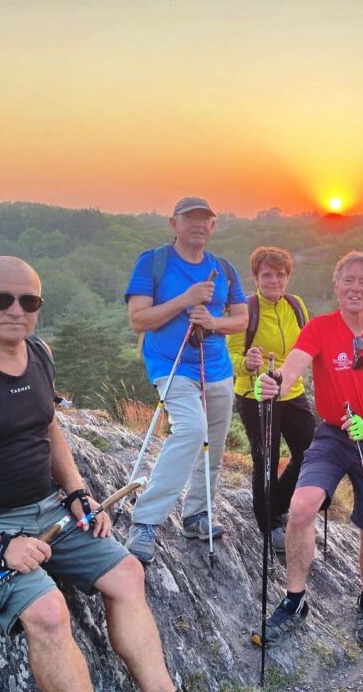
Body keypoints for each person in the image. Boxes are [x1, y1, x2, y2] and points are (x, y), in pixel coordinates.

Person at [0, 256, 174, 692]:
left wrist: (75, 492)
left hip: (49, 509)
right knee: (49, 614)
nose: (17, 310)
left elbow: (46, 425)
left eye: (29, 301)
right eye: (1, 299)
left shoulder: (38, 353)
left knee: (128, 574)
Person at [251, 251, 363, 650]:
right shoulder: (321, 328)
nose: (355, 287)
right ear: (336, 285)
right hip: (333, 434)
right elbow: (292, 368)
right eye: (347, 280)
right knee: (302, 506)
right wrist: (273, 383)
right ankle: (295, 599)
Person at [124, 197, 248, 564]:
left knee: (215, 441)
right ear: (173, 224)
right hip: (170, 363)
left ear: (213, 226)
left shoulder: (223, 268)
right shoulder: (153, 262)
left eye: (204, 219)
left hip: (217, 367)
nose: (198, 224)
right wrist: (186, 299)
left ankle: (197, 514)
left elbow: (240, 318)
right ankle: (145, 520)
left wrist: (213, 323)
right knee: (191, 431)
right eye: (189, 218)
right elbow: (138, 320)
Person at [227, 246, 313, 554]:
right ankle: (270, 524)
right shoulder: (246, 309)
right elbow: (229, 355)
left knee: (311, 453)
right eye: (267, 275)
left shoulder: (296, 305)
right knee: (266, 459)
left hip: (292, 390)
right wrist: (246, 363)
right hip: (256, 395)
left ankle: (277, 502)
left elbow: (307, 345)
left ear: (288, 277)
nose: (274, 281)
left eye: (280, 275)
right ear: (256, 277)